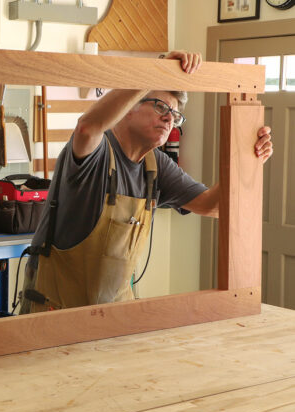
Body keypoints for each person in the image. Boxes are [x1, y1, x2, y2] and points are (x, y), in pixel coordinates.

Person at [19, 51, 273, 314]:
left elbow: (215, 206)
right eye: (161, 107)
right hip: (55, 311)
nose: (169, 119)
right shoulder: (98, 152)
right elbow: (86, 127)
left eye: (174, 114)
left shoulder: (156, 166)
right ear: (128, 107)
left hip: (115, 314)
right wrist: (152, 70)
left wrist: (248, 157)